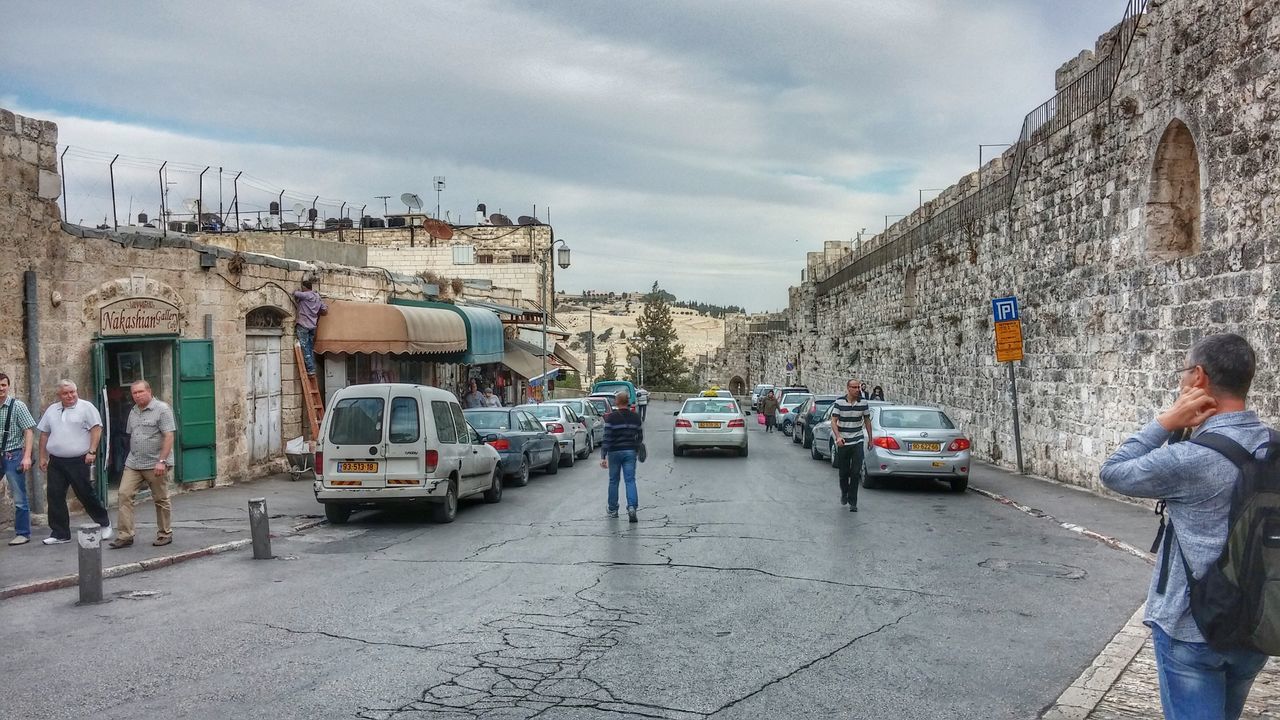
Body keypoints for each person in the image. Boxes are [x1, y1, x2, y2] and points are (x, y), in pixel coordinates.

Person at [1101, 334, 1270, 719]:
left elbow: (1113, 472)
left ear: (1198, 378)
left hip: (1192, 630)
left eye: (1183, 374)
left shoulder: (1188, 459)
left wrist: (1165, 422)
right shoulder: (1272, 448)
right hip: (1256, 626)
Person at [37, 380, 112, 545]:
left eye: (73, 392)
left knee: (85, 493)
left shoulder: (86, 407)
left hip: (78, 459)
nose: (70, 396)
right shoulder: (52, 410)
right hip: (56, 461)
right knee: (55, 495)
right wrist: (43, 456)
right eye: (66, 393)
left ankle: (104, 523)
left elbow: (96, 429)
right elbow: (44, 434)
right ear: (59, 395)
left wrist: (92, 451)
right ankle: (60, 533)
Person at [110, 381, 175, 549]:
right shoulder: (133, 411)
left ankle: (164, 533)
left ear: (149, 391)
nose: (137, 395)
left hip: (155, 463)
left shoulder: (162, 409)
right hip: (134, 462)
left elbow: (169, 436)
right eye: (134, 393)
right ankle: (125, 535)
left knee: (160, 498)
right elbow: (132, 435)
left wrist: (162, 461)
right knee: (124, 495)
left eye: (140, 392)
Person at [0, 373, 37, 546]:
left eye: (3, 385)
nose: (1, 388)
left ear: (8, 386)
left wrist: (27, 456)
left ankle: (23, 533)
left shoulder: (17, 406)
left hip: (13, 454)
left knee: (19, 497)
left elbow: (29, 430)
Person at [599, 390, 644, 523]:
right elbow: (640, 436)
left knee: (614, 481)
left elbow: (607, 437)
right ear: (628, 402)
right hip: (630, 451)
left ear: (617, 402)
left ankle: (613, 510)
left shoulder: (611, 418)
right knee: (630, 480)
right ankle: (632, 508)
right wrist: (636, 448)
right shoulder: (635, 417)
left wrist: (603, 455)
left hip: (614, 452)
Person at [830, 378, 872, 512]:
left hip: (857, 440)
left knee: (855, 472)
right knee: (843, 472)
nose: (857, 390)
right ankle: (844, 492)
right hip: (843, 441)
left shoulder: (863, 403)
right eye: (854, 387)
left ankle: (853, 501)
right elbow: (833, 421)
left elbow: (867, 421)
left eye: (858, 387)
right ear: (848, 388)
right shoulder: (839, 402)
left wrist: (870, 439)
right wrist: (838, 437)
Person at [293, 278, 328, 377]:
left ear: (304, 287)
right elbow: (324, 309)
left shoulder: (305, 295)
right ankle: (312, 368)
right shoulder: (317, 297)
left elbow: (295, 293)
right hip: (312, 325)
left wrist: (297, 290)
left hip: (303, 324)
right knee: (309, 347)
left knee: (304, 347)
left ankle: (310, 369)